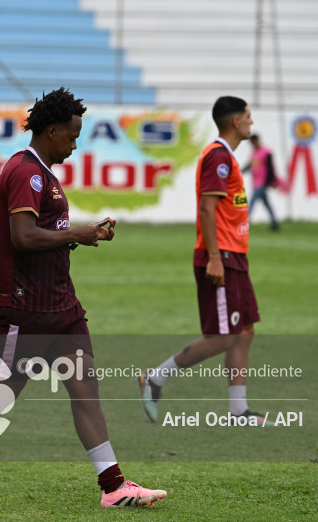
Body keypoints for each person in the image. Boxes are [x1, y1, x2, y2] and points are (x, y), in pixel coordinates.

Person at [0, 88, 167, 508]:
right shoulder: (26, 172)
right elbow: (23, 236)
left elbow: (47, 235)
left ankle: (114, 487)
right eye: (72, 136)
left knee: (85, 388)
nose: (75, 144)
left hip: (61, 306)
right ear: (52, 130)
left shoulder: (44, 174)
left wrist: (84, 236)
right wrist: (80, 233)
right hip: (28, 307)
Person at [138, 96, 269, 426]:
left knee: (245, 330)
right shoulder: (218, 157)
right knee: (223, 336)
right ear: (235, 122)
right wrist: (214, 258)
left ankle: (239, 411)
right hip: (220, 255)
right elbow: (207, 208)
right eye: (248, 117)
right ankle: (154, 379)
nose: (252, 122)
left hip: (233, 255)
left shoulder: (227, 157)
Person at [243, 134, 280, 230]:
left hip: (262, 182)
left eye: (254, 142)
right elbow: (249, 165)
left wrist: (272, 181)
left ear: (257, 141)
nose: (253, 144)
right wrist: (240, 171)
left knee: (252, 202)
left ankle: (244, 222)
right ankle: (275, 222)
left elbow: (271, 167)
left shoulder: (266, 152)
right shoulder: (253, 153)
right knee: (266, 203)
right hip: (255, 182)